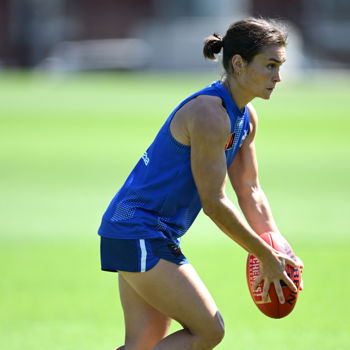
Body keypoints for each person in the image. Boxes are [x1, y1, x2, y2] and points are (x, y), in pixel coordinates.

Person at [98, 17, 303, 350]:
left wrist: (278, 247)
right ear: (238, 63)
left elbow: (250, 190)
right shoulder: (210, 114)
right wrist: (263, 254)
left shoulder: (245, 118)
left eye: (279, 66)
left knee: (142, 345)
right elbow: (214, 202)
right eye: (269, 65)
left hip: (146, 233)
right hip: (137, 230)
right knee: (209, 330)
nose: (278, 77)